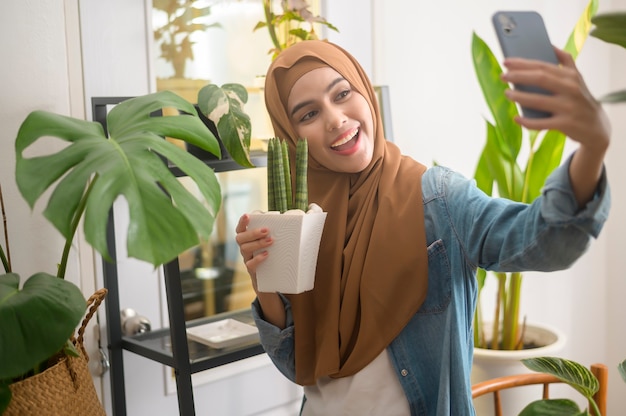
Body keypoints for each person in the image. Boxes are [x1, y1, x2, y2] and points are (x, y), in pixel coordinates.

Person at [235, 39, 611, 415]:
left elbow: (545, 240)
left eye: (343, 93)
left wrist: (593, 147)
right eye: (308, 115)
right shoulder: (301, 220)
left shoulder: (440, 200)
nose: (335, 119)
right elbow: (299, 365)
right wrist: (265, 284)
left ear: (365, 92)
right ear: (290, 135)